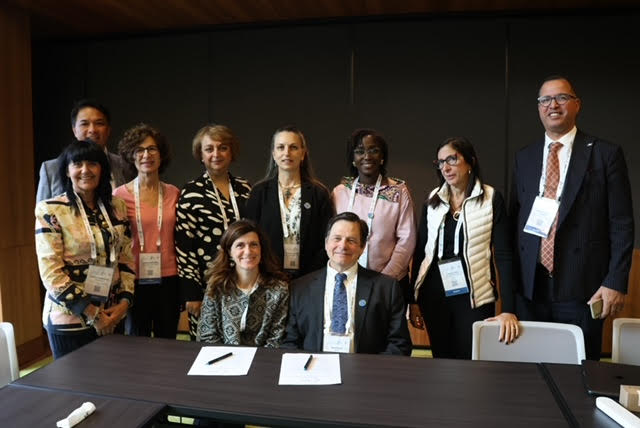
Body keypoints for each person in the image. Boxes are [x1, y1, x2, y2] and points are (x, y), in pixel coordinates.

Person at [510, 76, 634, 360]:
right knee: (531, 372)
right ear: (538, 108)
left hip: (582, 288)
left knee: (579, 372)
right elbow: (516, 219)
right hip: (531, 289)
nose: (553, 105)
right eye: (545, 100)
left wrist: (615, 280)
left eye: (562, 98)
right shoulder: (524, 157)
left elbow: (622, 223)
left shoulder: (605, 154)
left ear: (577, 105)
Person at [411, 137, 519, 359]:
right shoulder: (433, 199)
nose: (446, 167)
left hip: (474, 296)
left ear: (470, 161)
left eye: (452, 159)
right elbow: (421, 251)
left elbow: (505, 256)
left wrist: (508, 308)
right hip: (434, 293)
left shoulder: (490, 198)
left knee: (472, 361)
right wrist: (413, 300)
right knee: (441, 359)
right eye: (441, 162)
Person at [35, 140, 135, 359]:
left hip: (112, 313)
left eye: (92, 163)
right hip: (69, 318)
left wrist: (124, 304)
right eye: (77, 163)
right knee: (74, 389)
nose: (85, 170)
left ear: (102, 169)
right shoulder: (50, 209)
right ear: (67, 170)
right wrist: (92, 313)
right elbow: (50, 272)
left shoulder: (117, 207)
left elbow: (127, 258)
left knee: (111, 384)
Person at [282, 212, 411, 355]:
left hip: (366, 371)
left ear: (362, 248)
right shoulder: (299, 288)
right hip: (314, 371)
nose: (343, 246)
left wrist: (373, 372)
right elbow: (290, 342)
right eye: (337, 238)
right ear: (326, 243)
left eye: (351, 241)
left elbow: (400, 344)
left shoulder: (387, 288)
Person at [175, 125, 252, 340]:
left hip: (244, 283)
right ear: (200, 154)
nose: (216, 154)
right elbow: (184, 248)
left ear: (231, 152)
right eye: (209, 149)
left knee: (243, 342)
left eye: (222, 148)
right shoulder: (191, 193)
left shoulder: (246, 189)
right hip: (206, 288)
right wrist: (191, 293)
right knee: (207, 346)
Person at [331, 129, 416, 303]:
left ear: (382, 157)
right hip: (346, 280)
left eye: (374, 150)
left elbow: (406, 240)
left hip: (388, 283)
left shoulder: (399, 192)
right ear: (353, 159)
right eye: (360, 151)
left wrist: (384, 280)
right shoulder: (340, 192)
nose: (367, 156)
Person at [114, 124, 180, 338]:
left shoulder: (174, 193)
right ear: (131, 156)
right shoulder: (118, 196)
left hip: (169, 278)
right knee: (137, 340)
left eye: (152, 149)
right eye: (139, 150)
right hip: (133, 279)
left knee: (168, 338)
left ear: (161, 155)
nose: (146, 155)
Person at [246, 125, 334, 279]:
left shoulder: (318, 193)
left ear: (303, 154)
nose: (287, 153)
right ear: (273, 154)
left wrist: (312, 274)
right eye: (281, 147)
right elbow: (250, 237)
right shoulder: (259, 192)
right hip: (268, 276)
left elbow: (327, 239)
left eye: (293, 147)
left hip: (310, 277)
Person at [197, 220, 289, 346]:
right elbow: (207, 334)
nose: (248, 251)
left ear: (261, 249)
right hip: (222, 359)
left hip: (263, 360)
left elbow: (276, 338)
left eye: (254, 245)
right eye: (240, 245)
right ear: (230, 252)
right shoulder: (216, 286)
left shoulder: (279, 289)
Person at [36, 99, 133, 202]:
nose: (92, 130)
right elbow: (41, 214)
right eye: (84, 124)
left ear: (108, 130)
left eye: (99, 123)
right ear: (74, 130)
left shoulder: (125, 165)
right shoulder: (51, 169)